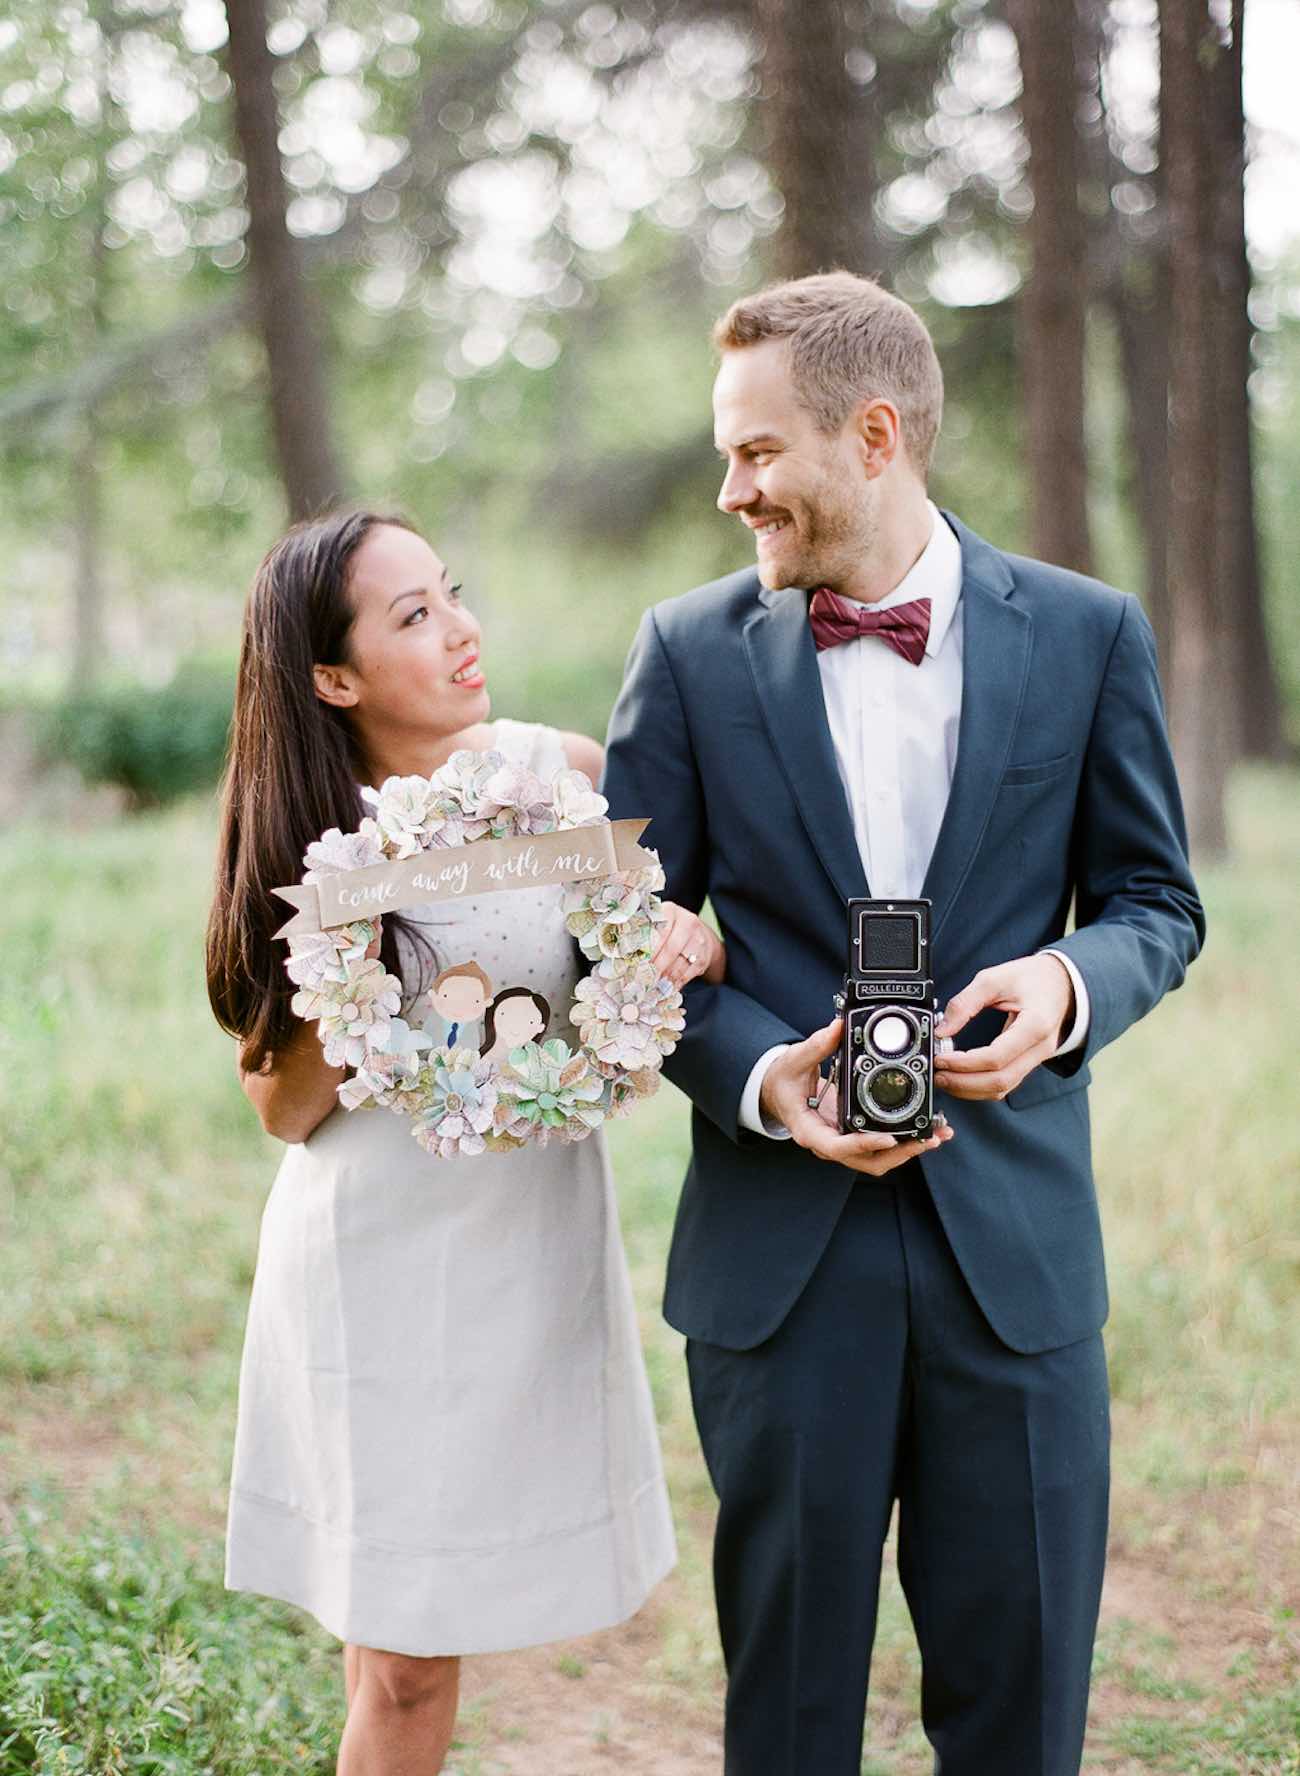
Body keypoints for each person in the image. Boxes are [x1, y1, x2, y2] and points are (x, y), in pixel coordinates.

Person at [601, 271, 1205, 1776]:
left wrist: (1067, 991)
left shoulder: (1085, 635)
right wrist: (757, 1083)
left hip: (1017, 1264)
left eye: (756, 453)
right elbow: (628, 951)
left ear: (874, 435)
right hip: (780, 1272)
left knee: (1022, 1711)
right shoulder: (682, 653)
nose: (732, 491)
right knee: (791, 1720)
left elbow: (1156, 903)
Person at [205, 509, 721, 1774]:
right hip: (374, 1249)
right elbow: (280, 1107)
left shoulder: (565, 778)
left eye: (451, 593)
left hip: (525, 1239)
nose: (461, 629)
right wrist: (382, 928)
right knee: (406, 1660)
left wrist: (689, 940)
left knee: (420, 1631)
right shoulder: (310, 834)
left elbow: (667, 938)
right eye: (413, 616)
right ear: (333, 677)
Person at [479, 986, 551, 1063]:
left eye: (530, 1022)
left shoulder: (530, 1065)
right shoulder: (475, 1056)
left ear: (540, 1028)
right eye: (505, 1014)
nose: (515, 1025)